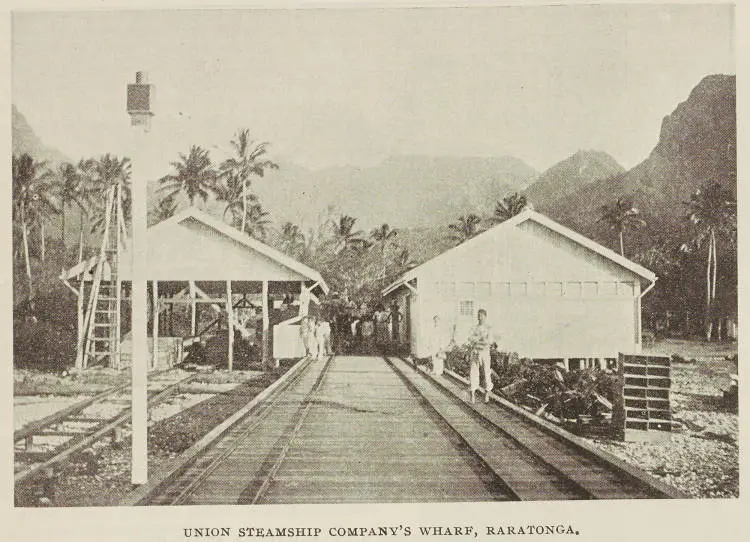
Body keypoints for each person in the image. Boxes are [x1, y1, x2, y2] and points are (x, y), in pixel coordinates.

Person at [467, 309, 494, 404]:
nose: (480, 317)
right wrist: (481, 339)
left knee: (486, 373)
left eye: (482, 315)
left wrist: (477, 340)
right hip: (475, 352)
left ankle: (486, 394)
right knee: (473, 373)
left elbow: (489, 341)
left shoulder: (488, 328)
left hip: (485, 353)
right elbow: (469, 338)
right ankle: (472, 396)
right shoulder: (474, 328)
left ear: (485, 317)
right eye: (478, 316)